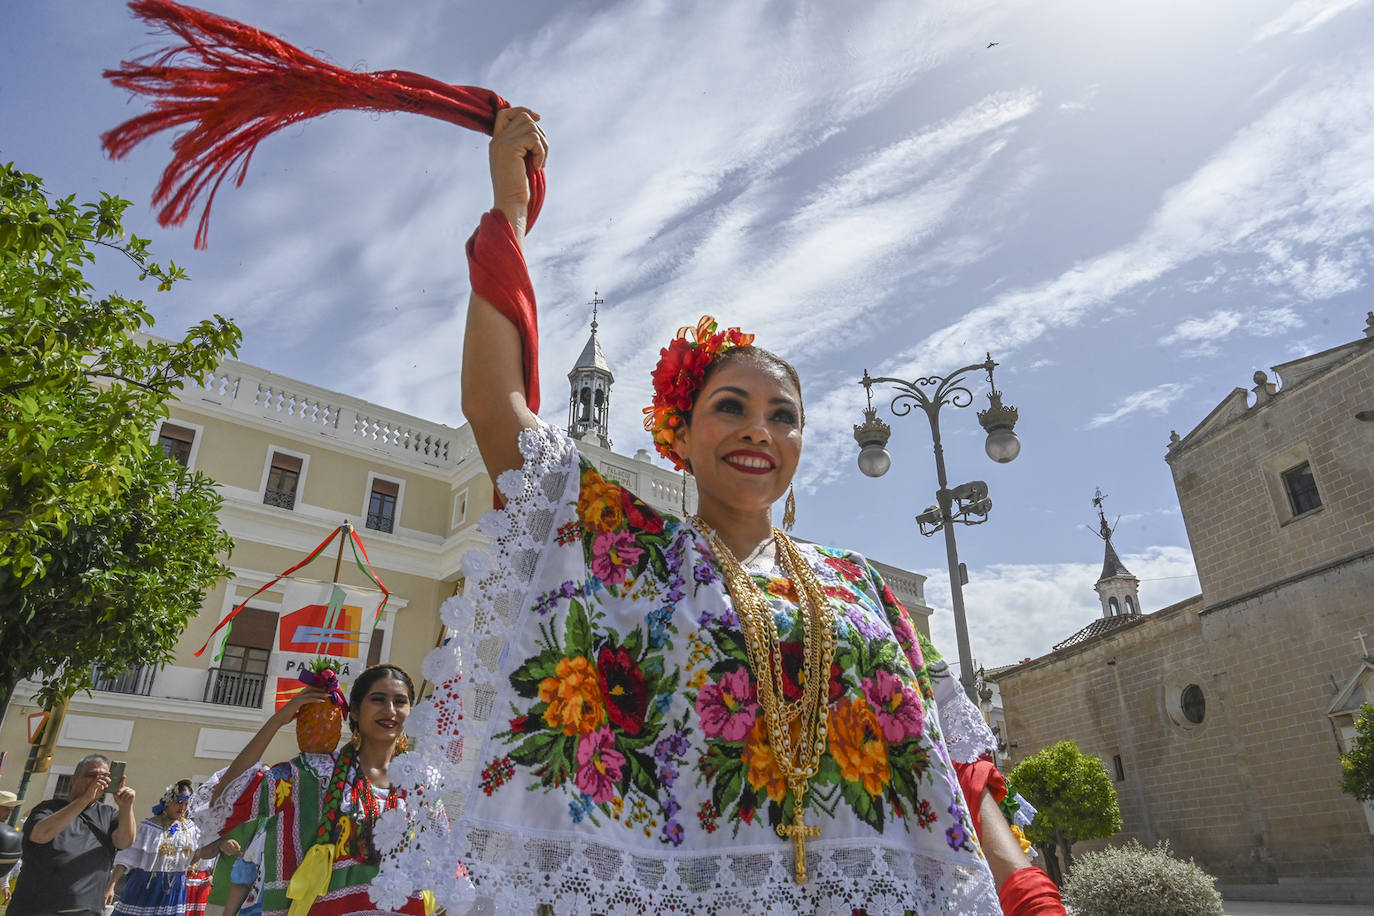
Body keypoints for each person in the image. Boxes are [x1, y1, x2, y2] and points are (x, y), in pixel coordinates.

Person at [372, 110, 1066, 916]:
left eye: (783, 415)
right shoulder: (630, 549)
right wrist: (510, 215)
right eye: (731, 406)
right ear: (681, 432)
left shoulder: (864, 588)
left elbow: (959, 763)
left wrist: (1030, 892)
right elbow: (497, 409)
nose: (758, 429)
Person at [193, 664, 430, 916]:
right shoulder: (311, 774)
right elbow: (226, 800)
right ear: (357, 711)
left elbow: (444, 871)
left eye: (400, 702)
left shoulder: (420, 786)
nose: (390, 710)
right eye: (378, 699)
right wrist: (278, 720)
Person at [9, 754, 136, 916]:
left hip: (86, 910)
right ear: (74, 779)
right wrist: (85, 798)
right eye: (91, 776)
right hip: (38, 908)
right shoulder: (48, 808)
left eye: (103, 777)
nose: (97, 781)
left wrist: (126, 807)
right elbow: (40, 835)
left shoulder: (109, 814)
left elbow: (124, 842)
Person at [107, 779, 223, 916]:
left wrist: (220, 844)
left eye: (186, 804)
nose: (182, 808)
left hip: (174, 889)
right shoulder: (148, 828)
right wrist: (111, 886)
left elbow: (195, 857)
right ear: (168, 800)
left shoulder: (190, 830)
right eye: (179, 802)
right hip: (146, 886)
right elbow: (126, 858)